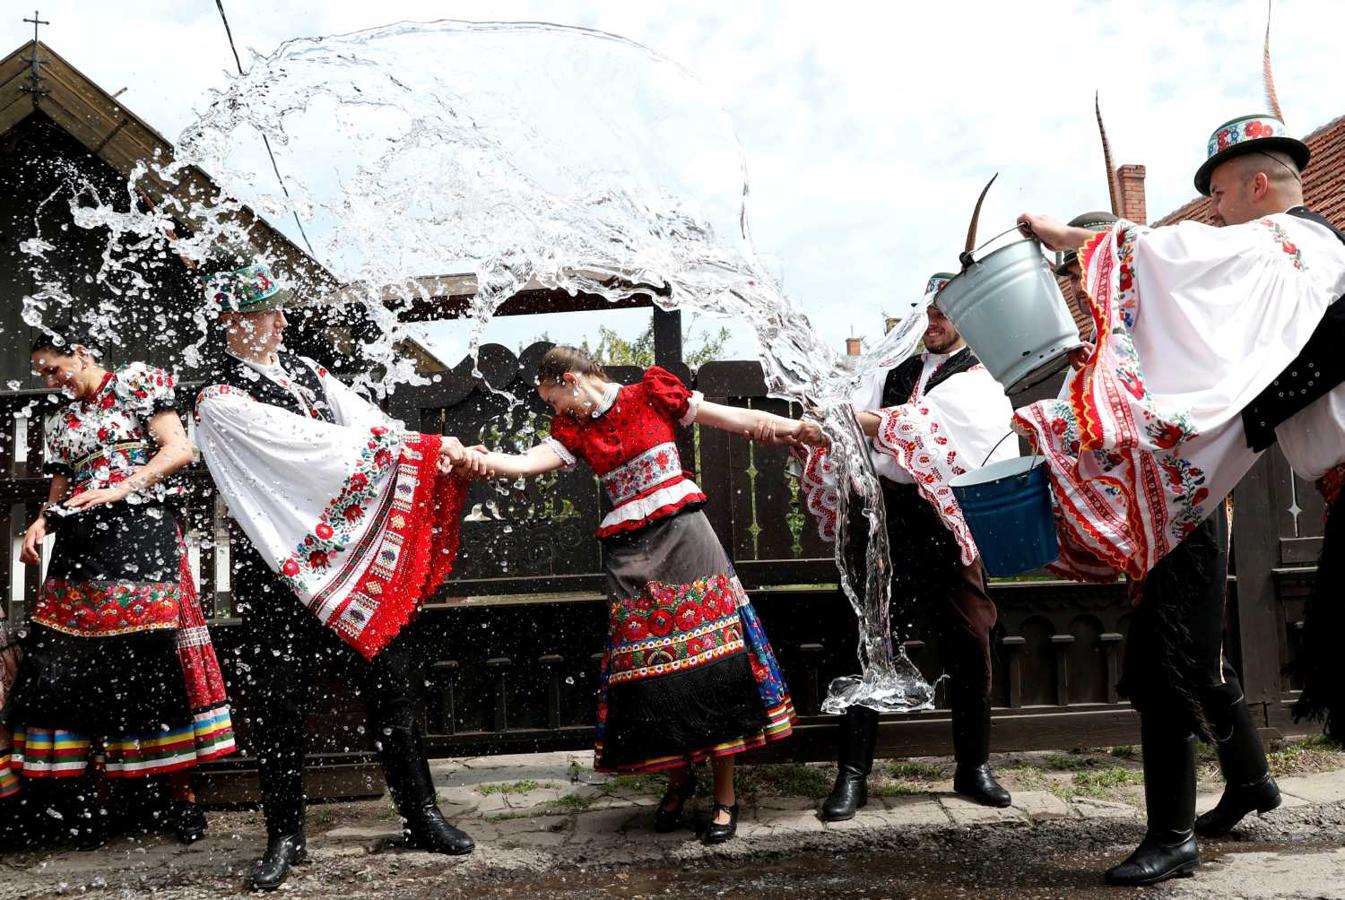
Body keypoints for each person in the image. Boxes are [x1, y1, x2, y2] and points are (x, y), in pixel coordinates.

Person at [1015, 108, 1345, 886]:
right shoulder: (1283, 273)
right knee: (1193, 663)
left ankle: (1174, 832)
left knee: (1176, 661)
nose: (1216, 217)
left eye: (1222, 199)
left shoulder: (1293, 244)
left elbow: (1194, 263)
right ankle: (1244, 785)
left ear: (1258, 186)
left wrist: (1076, 240)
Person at [192, 258, 484, 891]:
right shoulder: (218, 395)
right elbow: (309, 449)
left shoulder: (307, 373)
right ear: (230, 322)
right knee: (279, 701)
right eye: (261, 312)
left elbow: (371, 427)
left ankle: (422, 814)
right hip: (278, 569)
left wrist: (436, 452)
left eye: (276, 308)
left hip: (350, 566)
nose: (277, 320)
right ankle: (284, 835)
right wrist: (420, 452)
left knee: (393, 683)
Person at [466, 345, 800, 844]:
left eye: (551, 398)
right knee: (651, 672)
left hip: (688, 540)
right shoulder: (576, 430)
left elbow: (729, 417)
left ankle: (725, 796)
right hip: (629, 556)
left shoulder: (653, 392)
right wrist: (487, 460)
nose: (553, 409)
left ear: (570, 379)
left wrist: (795, 429)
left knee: (715, 664)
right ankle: (679, 776)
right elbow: (528, 462)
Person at [791, 280, 1018, 820]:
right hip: (885, 519)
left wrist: (857, 425)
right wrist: (819, 423)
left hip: (944, 519)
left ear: (965, 319)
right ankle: (853, 775)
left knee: (971, 636)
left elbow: (918, 427)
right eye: (928, 313)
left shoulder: (981, 377)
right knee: (866, 640)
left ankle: (973, 766)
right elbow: (850, 420)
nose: (932, 323)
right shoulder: (889, 371)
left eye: (942, 315)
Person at [3, 329, 235, 847]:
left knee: (150, 656)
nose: (51, 380)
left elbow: (179, 451)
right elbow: (62, 485)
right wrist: (42, 521)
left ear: (81, 353)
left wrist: (120, 487)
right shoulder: (62, 422)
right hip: (83, 545)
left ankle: (181, 798)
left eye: (54, 368)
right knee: (69, 660)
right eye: (42, 373)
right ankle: (99, 799)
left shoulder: (136, 382)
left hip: (142, 533)